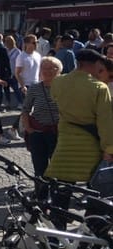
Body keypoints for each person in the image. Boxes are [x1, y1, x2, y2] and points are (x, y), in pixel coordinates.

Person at [46, 49, 113, 187]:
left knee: (63, 186)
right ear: (96, 64)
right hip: (91, 145)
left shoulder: (58, 82)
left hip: (66, 142)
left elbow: (54, 99)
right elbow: (105, 122)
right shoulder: (99, 88)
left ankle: (57, 208)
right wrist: (109, 149)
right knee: (94, 188)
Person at [20, 56, 62, 179]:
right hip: (38, 132)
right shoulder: (35, 88)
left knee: (59, 167)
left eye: (51, 68)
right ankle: (41, 195)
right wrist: (28, 128)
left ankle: (58, 194)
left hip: (58, 133)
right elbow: (25, 109)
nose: (47, 71)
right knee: (40, 167)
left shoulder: (64, 87)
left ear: (58, 70)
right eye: (44, 68)